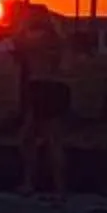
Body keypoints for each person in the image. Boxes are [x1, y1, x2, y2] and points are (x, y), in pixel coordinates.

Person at [13, 13, 73, 202]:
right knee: (34, 138)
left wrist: (23, 23)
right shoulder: (60, 43)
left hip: (42, 88)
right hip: (57, 88)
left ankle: (57, 190)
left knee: (45, 140)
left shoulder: (36, 41)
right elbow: (67, 65)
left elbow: (18, 42)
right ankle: (36, 184)